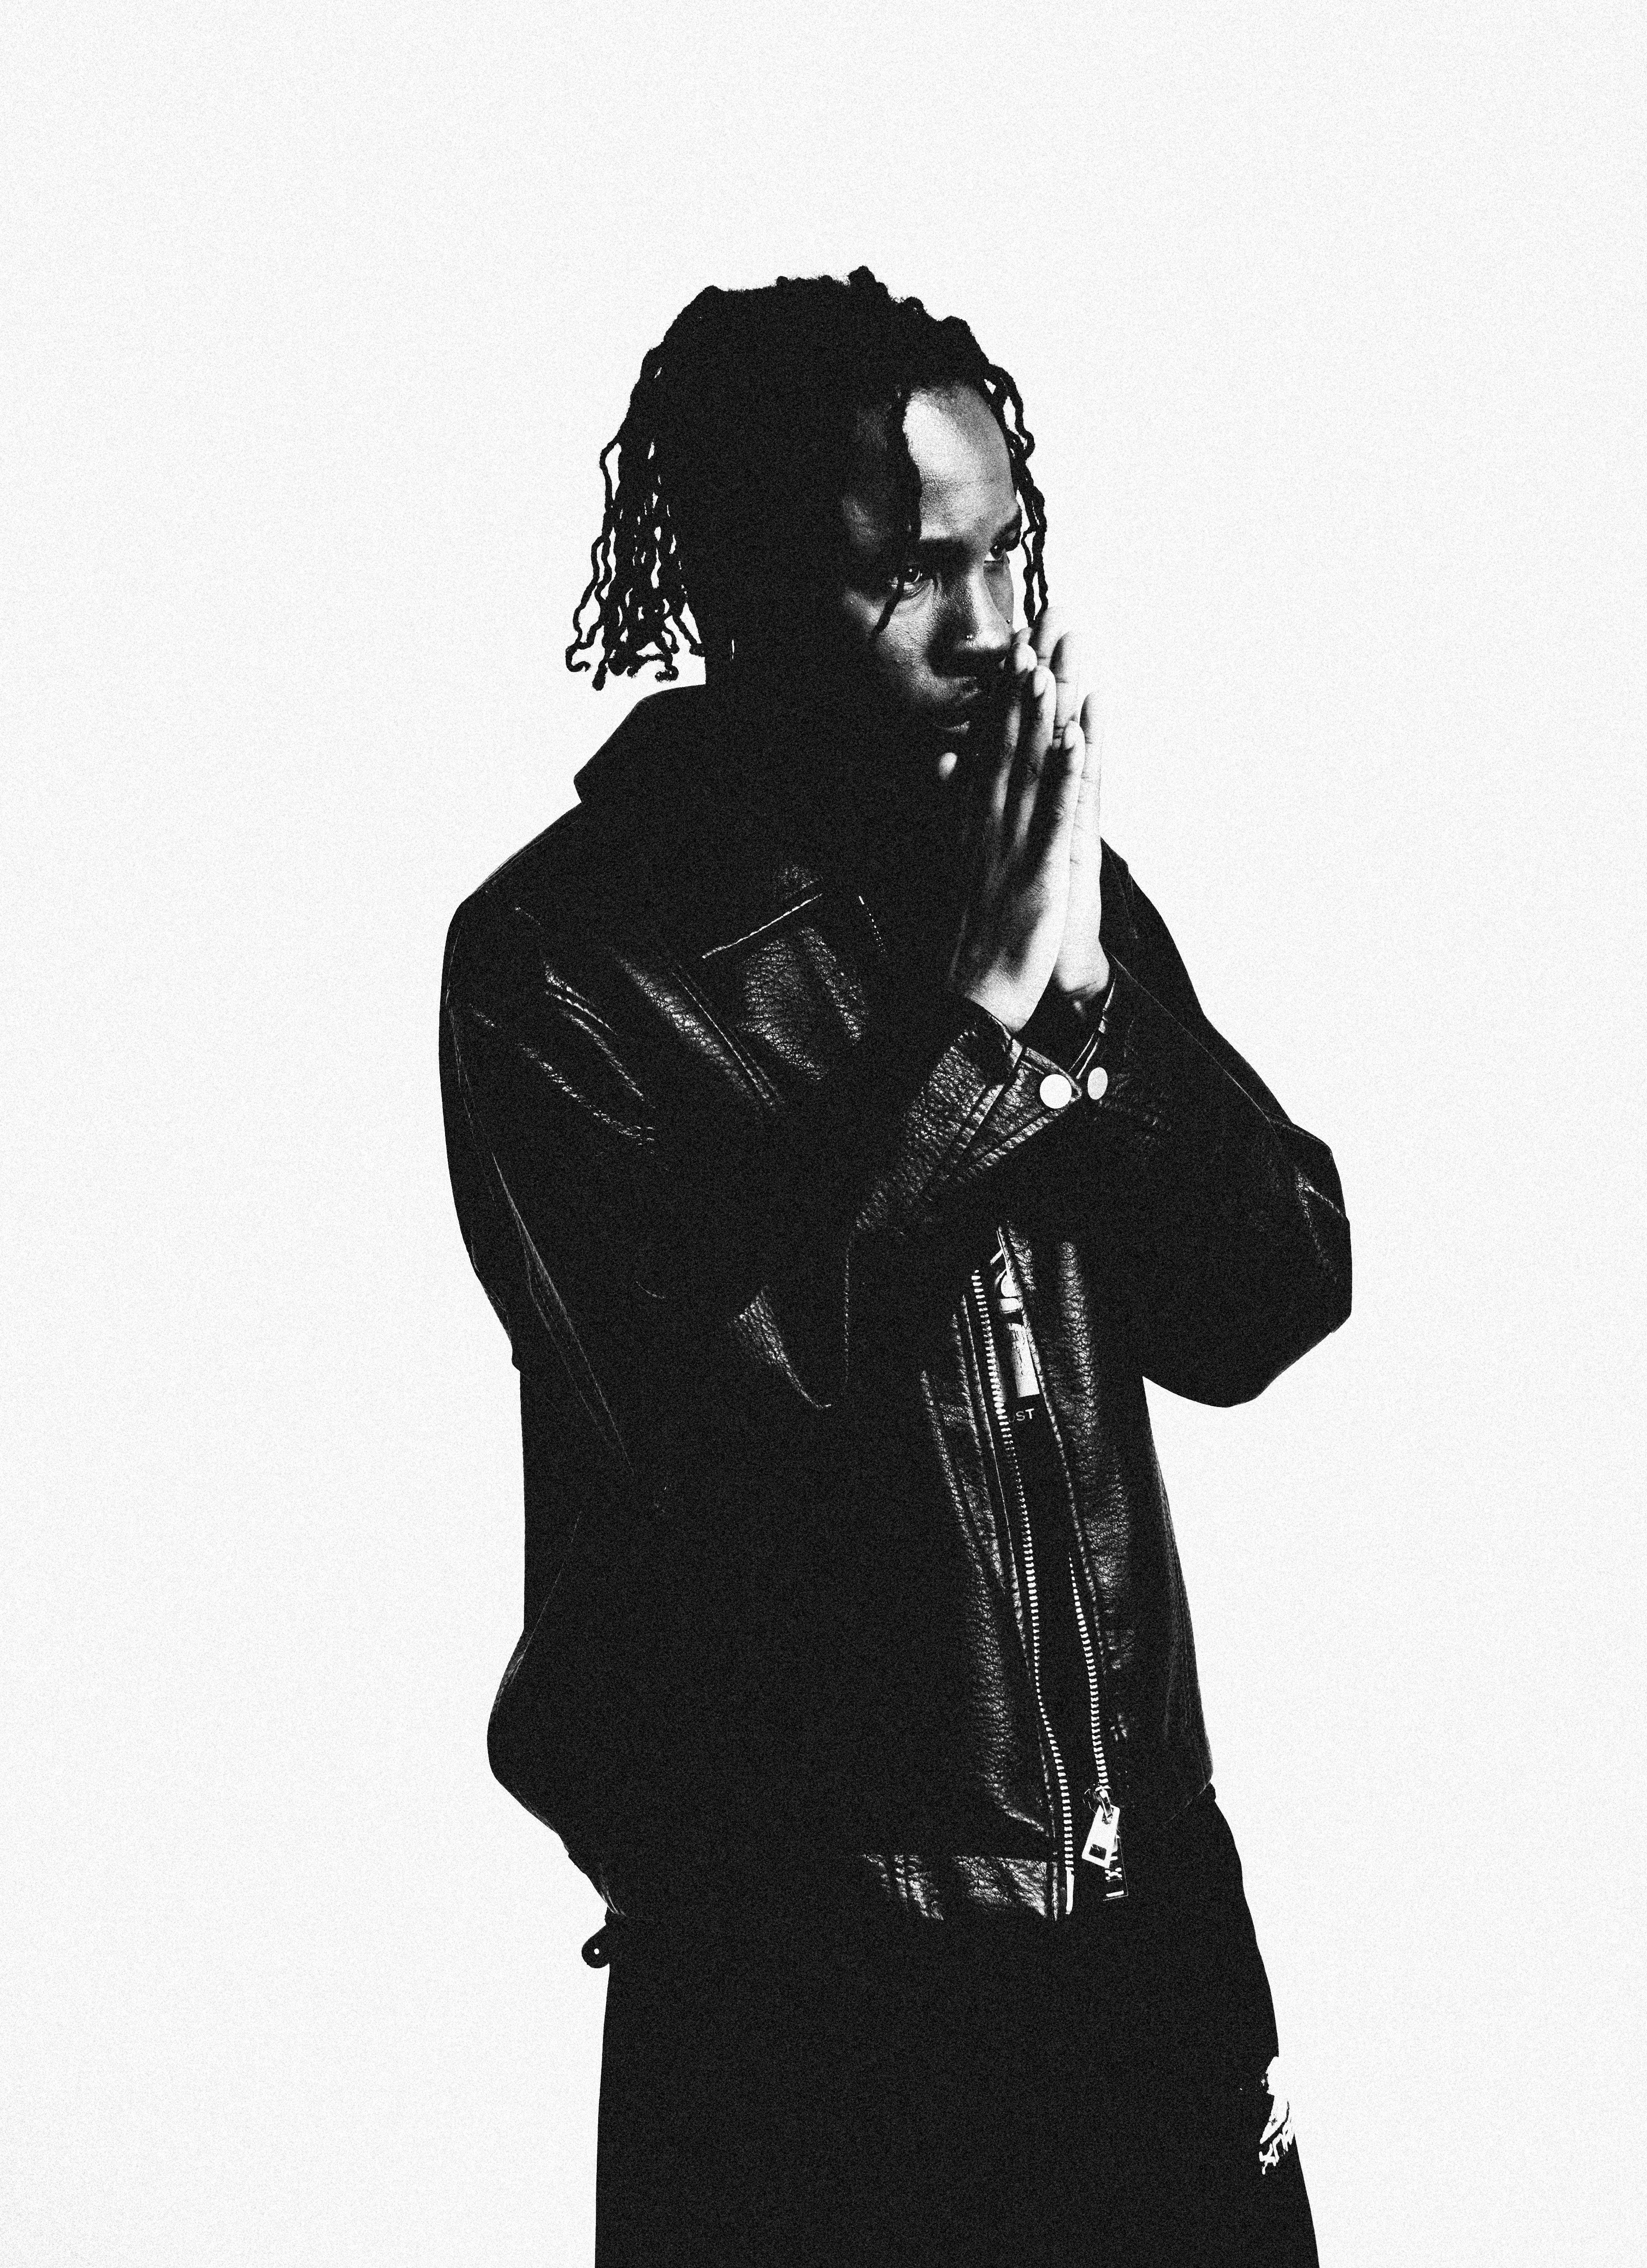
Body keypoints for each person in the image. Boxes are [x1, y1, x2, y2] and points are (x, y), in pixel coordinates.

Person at [439, 266, 1351, 2264]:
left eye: (1009, 550)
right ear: (751, 586)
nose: (994, 623)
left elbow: (1272, 1294)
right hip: (806, 1997)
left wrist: (1085, 1004)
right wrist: (985, 1041)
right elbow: (715, 1431)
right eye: (916, 571)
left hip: (1148, 1945)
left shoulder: (1028, 876)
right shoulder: (567, 965)